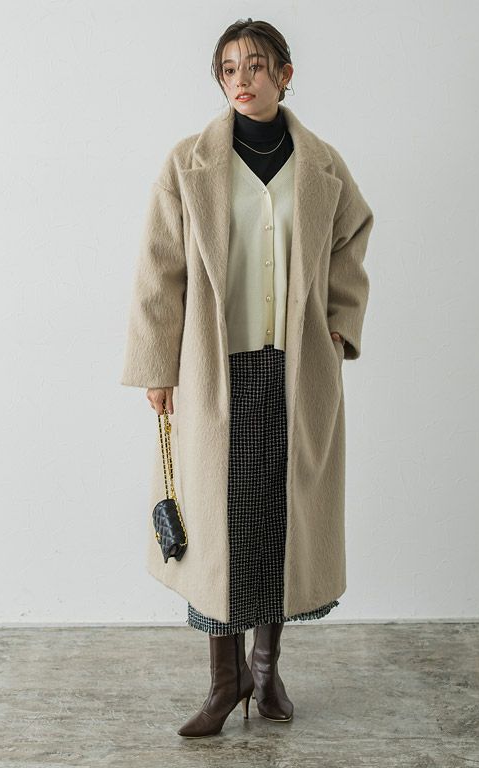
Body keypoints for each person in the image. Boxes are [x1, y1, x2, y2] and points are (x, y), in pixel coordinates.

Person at [120, 18, 374, 738]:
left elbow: (352, 239)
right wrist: (157, 365)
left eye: (257, 66)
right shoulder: (188, 164)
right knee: (217, 530)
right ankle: (223, 682)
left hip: (294, 369)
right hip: (212, 371)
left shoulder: (322, 166)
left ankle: (265, 673)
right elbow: (159, 269)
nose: (242, 79)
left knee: (277, 524)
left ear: (285, 75)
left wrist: (340, 322)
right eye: (229, 68)